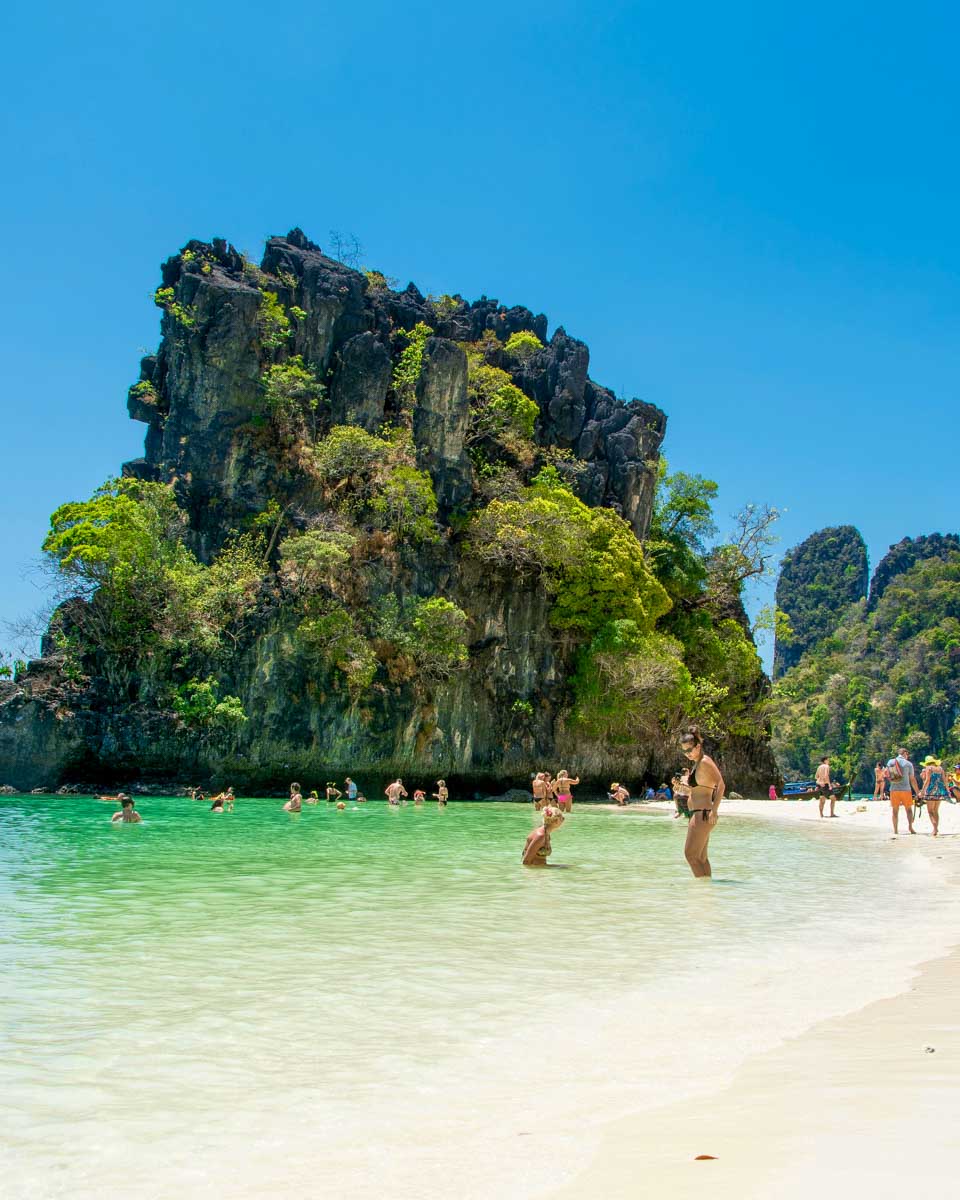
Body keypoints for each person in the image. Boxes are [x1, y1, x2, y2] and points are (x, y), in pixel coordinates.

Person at [679, 726, 725, 878]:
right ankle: (706, 892)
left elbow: (721, 784)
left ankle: (701, 891)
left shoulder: (705, 761)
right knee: (701, 858)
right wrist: (682, 788)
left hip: (703, 814)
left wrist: (715, 810)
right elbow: (698, 791)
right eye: (684, 751)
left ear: (698, 746)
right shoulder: (697, 764)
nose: (687, 754)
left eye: (689, 750)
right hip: (701, 814)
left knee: (690, 855)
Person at [886, 748, 919, 835]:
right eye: (907, 754)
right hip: (906, 790)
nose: (907, 756)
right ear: (905, 753)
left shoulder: (890, 762)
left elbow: (887, 774)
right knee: (908, 810)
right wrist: (917, 792)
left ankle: (896, 830)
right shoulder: (908, 764)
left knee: (895, 811)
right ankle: (911, 828)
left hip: (894, 790)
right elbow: (912, 779)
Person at [919, 756, 950, 836]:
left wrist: (922, 791)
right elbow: (945, 781)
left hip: (930, 791)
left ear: (927, 763)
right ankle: (935, 829)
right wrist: (948, 790)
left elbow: (927, 780)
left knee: (930, 811)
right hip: (939, 791)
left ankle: (935, 829)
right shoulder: (940, 769)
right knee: (936, 811)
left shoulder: (928, 768)